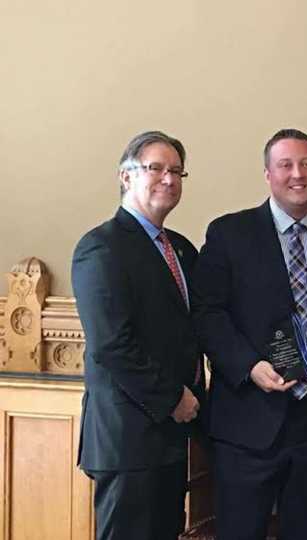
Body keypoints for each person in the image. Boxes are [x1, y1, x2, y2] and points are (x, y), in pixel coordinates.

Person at [192, 128, 307, 540]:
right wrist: (248, 366)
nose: (297, 174)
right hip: (247, 420)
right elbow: (206, 314)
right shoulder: (229, 234)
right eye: (286, 165)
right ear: (268, 174)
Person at [72, 131, 204, 540]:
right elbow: (112, 345)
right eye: (155, 168)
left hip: (170, 437)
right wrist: (173, 398)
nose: (168, 179)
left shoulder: (180, 249)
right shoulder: (101, 247)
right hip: (128, 438)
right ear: (126, 177)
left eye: (176, 171)